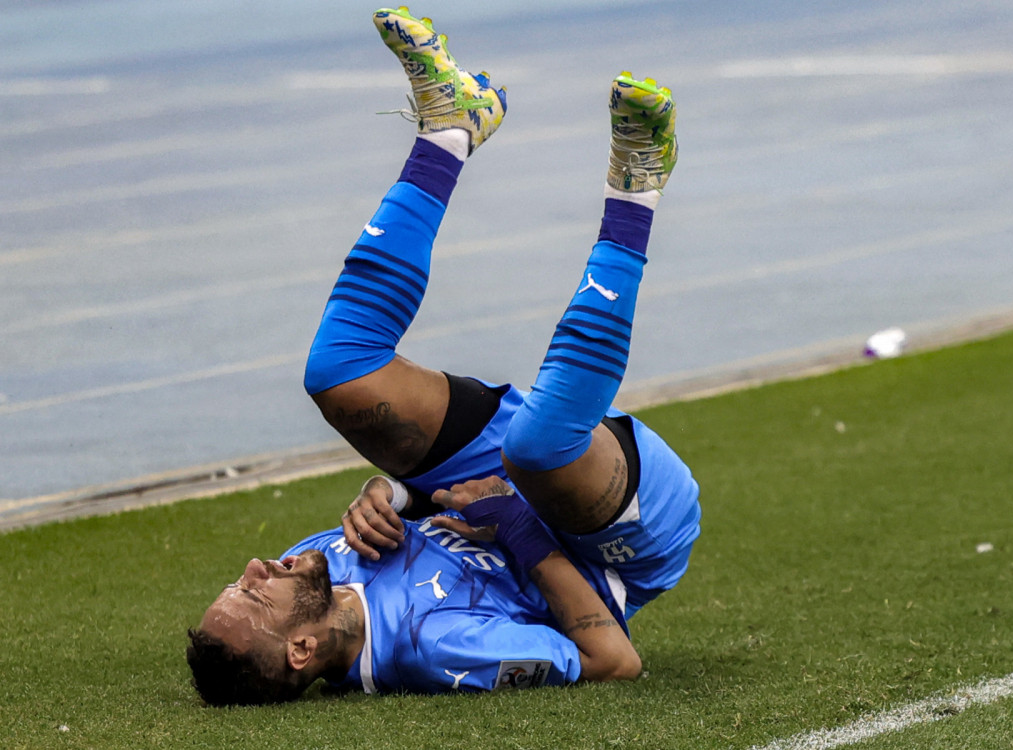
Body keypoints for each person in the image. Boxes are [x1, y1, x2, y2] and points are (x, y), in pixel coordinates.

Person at [186, 7, 700, 705]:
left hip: (493, 480)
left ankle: (448, 128)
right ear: (301, 649)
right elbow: (613, 659)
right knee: (537, 449)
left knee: (338, 375)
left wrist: (395, 495)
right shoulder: (435, 647)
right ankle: (636, 187)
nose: (254, 566)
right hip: (615, 535)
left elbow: (436, 507)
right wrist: (515, 524)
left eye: (241, 579)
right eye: (253, 593)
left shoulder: (320, 565)